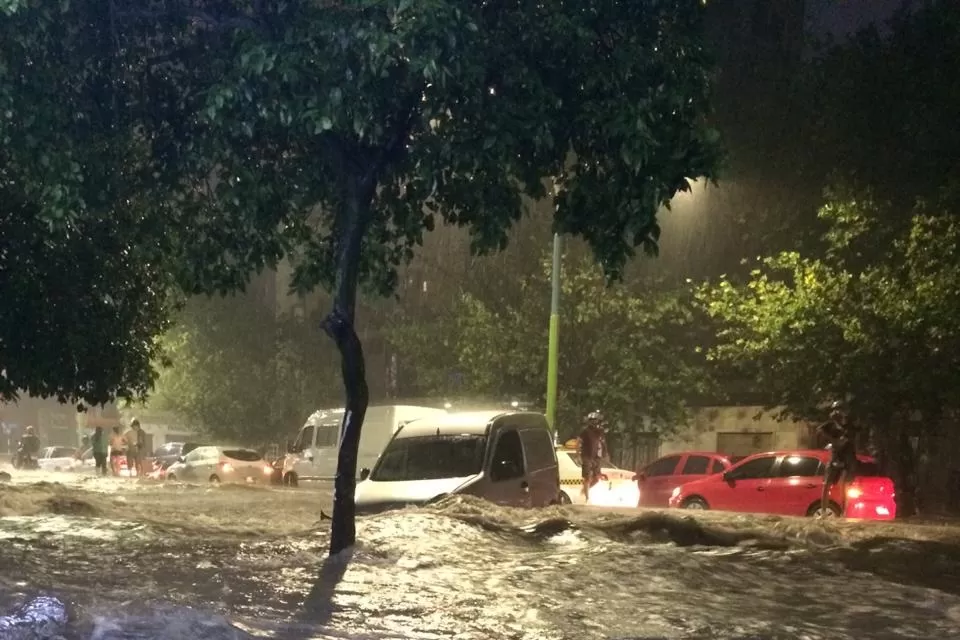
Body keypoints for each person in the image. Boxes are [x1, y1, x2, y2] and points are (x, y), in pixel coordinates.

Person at [817, 401, 857, 517]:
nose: (836, 412)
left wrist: (834, 441)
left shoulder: (849, 427)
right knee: (826, 484)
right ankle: (823, 512)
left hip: (846, 459)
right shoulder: (830, 425)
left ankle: (844, 513)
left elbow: (843, 443)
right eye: (834, 410)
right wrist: (830, 439)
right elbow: (820, 432)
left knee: (844, 486)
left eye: (839, 409)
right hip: (835, 458)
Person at [578, 410, 608, 503]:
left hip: (596, 457)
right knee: (587, 477)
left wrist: (606, 453)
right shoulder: (585, 431)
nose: (594, 422)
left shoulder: (600, 432)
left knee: (596, 478)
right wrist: (577, 455)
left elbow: (603, 443)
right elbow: (578, 441)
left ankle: (583, 491)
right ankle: (587, 498)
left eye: (596, 420)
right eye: (592, 420)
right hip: (587, 456)